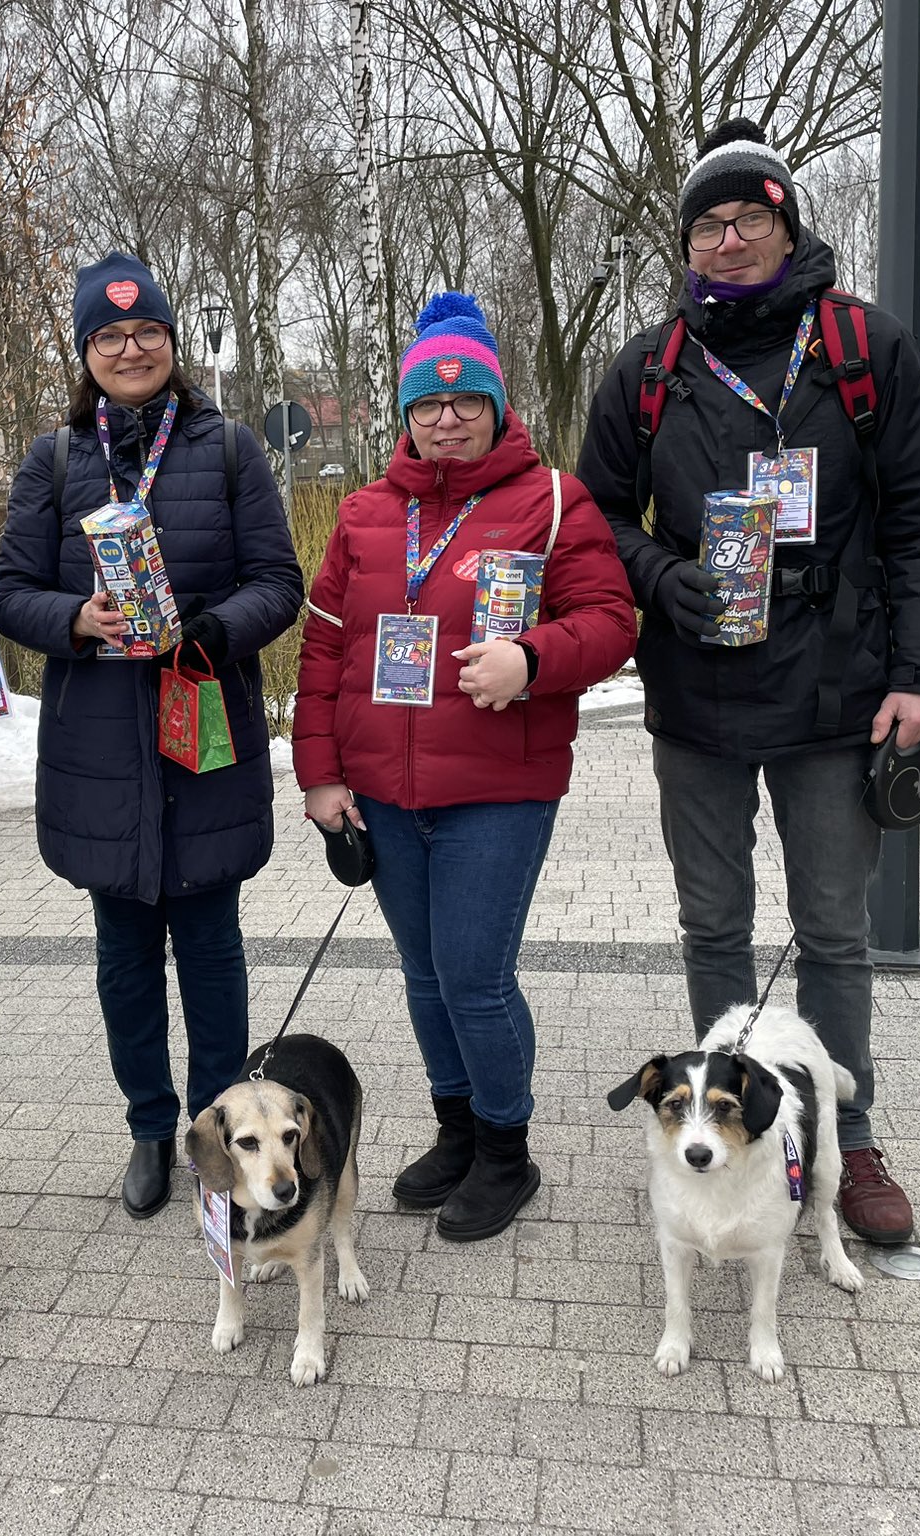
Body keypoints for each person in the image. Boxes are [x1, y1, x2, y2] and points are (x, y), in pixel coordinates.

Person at [574, 120, 920, 1244]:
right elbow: (596, 518)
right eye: (709, 223)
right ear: (686, 244)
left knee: (832, 930)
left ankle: (848, 1133)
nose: (731, 238)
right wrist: (661, 577)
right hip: (695, 691)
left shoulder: (861, 348)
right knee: (712, 925)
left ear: (787, 229)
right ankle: (725, 1118)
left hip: (837, 693)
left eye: (751, 217)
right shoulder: (647, 369)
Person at [294, 293, 637, 1242]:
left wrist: (531, 659)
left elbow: (611, 621)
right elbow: (323, 650)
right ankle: (457, 1129)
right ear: (405, 413)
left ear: (497, 404)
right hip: (381, 791)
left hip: (497, 790)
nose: (448, 420)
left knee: (474, 976)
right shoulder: (365, 513)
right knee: (424, 973)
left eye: (467, 400)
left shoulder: (552, 501)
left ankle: (505, 1150)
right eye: (428, 404)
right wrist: (321, 773)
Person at [0, 254, 304, 1219]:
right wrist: (76, 620)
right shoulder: (52, 459)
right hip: (100, 756)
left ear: (172, 340)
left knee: (211, 952)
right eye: (110, 336)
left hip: (205, 741)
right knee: (124, 961)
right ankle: (146, 1126)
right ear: (87, 352)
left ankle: (220, 1132)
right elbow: (8, 593)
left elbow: (279, 583)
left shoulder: (230, 449)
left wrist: (212, 629)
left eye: (148, 332)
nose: (131, 350)